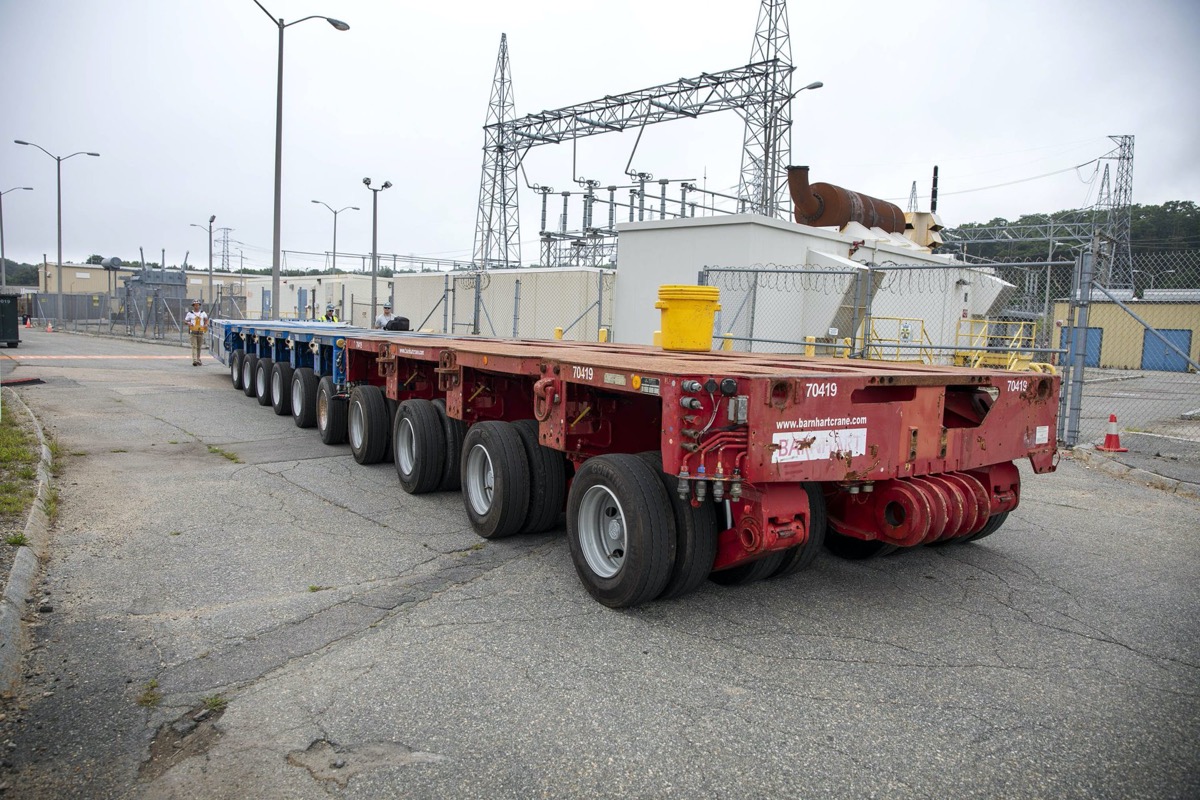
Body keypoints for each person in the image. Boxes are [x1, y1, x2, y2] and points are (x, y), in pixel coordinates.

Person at [184, 300, 209, 366]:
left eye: (197, 305)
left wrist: (206, 324)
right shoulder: (190, 313)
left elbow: (206, 319)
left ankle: (198, 359)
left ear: (199, 305)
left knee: (199, 347)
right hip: (193, 332)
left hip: (200, 332)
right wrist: (188, 323)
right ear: (193, 306)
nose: (196, 306)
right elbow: (185, 321)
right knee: (194, 346)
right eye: (195, 305)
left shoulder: (203, 313)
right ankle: (194, 360)